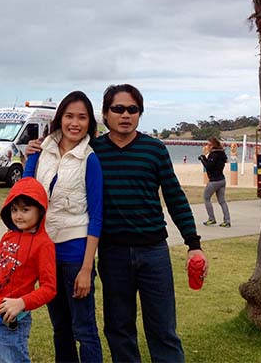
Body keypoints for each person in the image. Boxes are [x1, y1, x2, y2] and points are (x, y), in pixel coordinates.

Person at [28, 84, 206, 363]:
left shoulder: (154, 150)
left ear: (140, 114)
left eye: (132, 109)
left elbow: (174, 197)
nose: (125, 115)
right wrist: (36, 148)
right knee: (119, 330)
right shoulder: (92, 152)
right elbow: (59, 154)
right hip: (112, 254)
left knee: (163, 330)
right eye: (118, 109)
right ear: (105, 114)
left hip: (153, 252)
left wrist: (193, 244)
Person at [23, 91, 103, 363]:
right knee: (61, 327)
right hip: (45, 251)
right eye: (69, 116)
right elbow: (25, 196)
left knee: (84, 328)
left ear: (89, 122)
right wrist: (28, 157)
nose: (75, 123)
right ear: (60, 119)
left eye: (82, 117)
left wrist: (86, 268)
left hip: (75, 253)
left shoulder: (89, 159)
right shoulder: (40, 150)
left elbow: (96, 216)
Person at [0, 177, 57, 363]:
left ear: (40, 210)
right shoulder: (7, 238)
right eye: (14, 209)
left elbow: (49, 288)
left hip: (11, 323)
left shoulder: (43, 244)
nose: (18, 215)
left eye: (25, 210)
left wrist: (22, 303)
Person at [198, 137, 231, 228]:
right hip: (222, 180)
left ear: (213, 145)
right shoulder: (222, 154)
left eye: (208, 144)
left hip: (214, 181)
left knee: (206, 198)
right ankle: (227, 221)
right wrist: (205, 157)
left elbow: (209, 166)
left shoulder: (213, 154)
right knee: (222, 201)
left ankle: (211, 219)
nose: (207, 146)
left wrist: (203, 158)